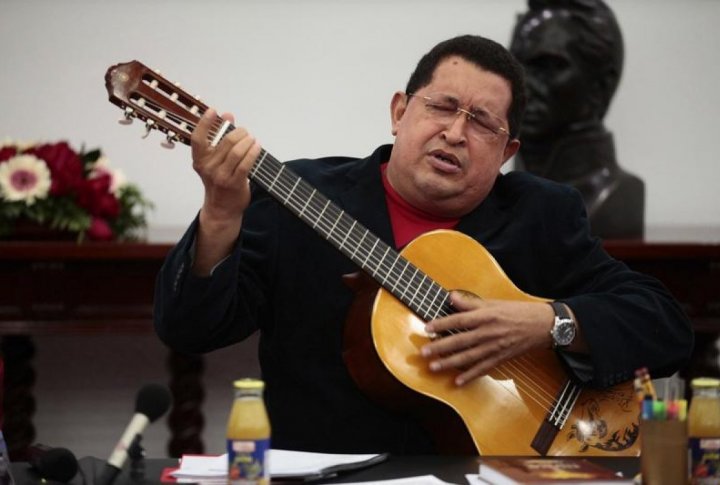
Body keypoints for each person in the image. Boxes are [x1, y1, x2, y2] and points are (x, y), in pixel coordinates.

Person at [153, 35, 693, 454]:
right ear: (399, 112)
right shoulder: (301, 197)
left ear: (507, 152)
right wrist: (222, 211)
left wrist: (548, 323)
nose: (455, 133)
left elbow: (665, 326)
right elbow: (190, 329)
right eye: (442, 106)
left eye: (481, 122)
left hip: (499, 471)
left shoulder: (541, 214)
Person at [509, 0, 645, 239]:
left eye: (548, 66)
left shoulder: (613, 197)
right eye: (515, 68)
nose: (522, 86)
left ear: (600, 86)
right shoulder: (497, 195)